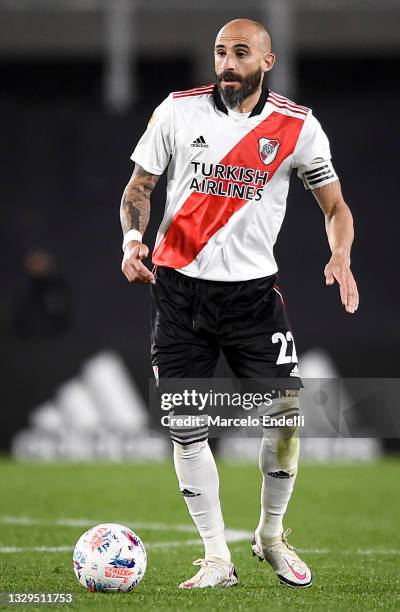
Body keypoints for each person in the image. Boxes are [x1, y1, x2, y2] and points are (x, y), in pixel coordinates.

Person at [120, 18, 359, 589]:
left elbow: (335, 207)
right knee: (186, 424)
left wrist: (342, 255)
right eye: (220, 53)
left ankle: (270, 536)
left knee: (284, 421)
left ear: (267, 62)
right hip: (179, 293)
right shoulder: (177, 110)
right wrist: (132, 241)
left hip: (253, 298)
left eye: (241, 53)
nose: (227, 63)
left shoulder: (297, 126)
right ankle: (215, 558)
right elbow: (139, 189)